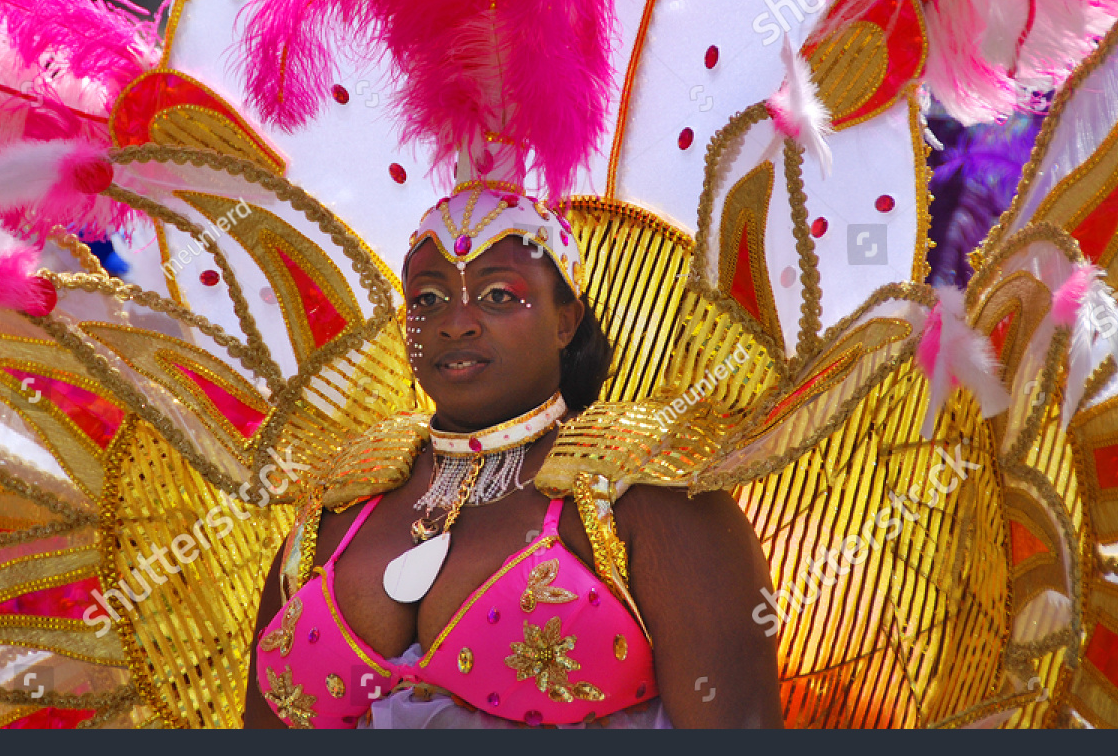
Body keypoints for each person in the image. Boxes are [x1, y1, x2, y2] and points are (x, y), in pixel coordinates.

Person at [243, 231, 784, 728]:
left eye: (499, 294)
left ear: (564, 322)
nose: (455, 323)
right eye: (427, 300)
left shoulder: (643, 488)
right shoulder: (341, 495)